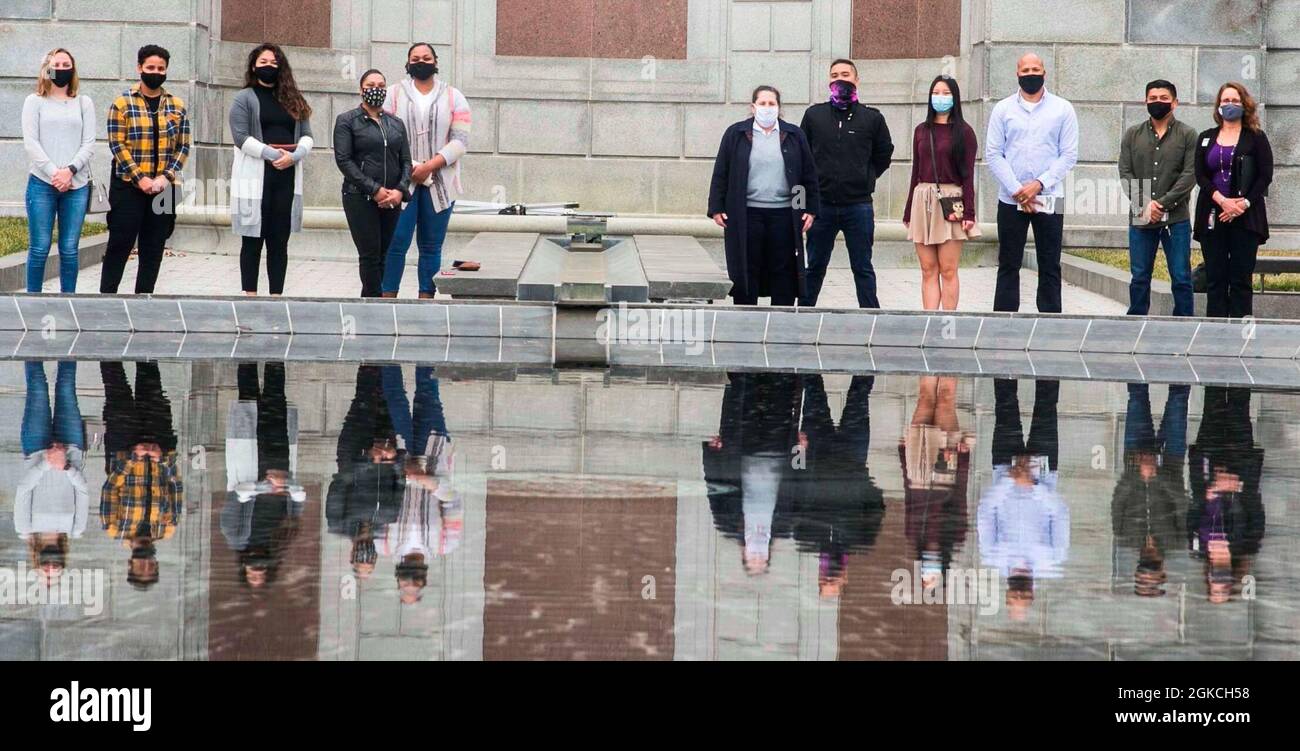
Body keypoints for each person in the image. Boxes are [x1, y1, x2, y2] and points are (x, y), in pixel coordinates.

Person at [707, 85, 819, 306]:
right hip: (747, 213)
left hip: (784, 214)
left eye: (772, 104)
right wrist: (716, 207)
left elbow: (804, 175)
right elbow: (722, 172)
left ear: (779, 107)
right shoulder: (736, 134)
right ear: (753, 107)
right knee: (748, 265)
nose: (767, 108)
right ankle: (746, 316)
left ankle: (781, 316)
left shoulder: (794, 135)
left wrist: (806, 210)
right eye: (762, 103)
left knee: (783, 267)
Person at [985, 53, 1078, 313]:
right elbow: (993, 153)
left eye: (1035, 69)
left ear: (1044, 72)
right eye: (1025, 69)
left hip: (1049, 196)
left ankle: (1049, 319)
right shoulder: (1002, 109)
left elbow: (1068, 154)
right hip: (1009, 197)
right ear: (1017, 73)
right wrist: (1017, 189)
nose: (1030, 73)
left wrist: (1038, 184)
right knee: (1008, 262)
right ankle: (1004, 319)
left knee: (1050, 263)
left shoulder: (1063, 109)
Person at [380, 43, 471, 299]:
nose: (421, 61)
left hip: (441, 181)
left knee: (431, 245)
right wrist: (410, 169)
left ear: (435, 61)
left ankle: (426, 301)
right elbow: (383, 134)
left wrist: (430, 165)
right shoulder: (393, 94)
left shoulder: (453, 96)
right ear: (408, 64)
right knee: (396, 242)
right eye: (415, 58)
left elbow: (461, 140)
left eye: (426, 57)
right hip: (400, 182)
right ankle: (387, 299)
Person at [798, 59, 893, 308]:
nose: (840, 79)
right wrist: (802, 203)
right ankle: (802, 315)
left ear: (856, 80)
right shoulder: (813, 116)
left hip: (858, 206)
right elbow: (800, 158)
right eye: (835, 75)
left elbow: (884, 154)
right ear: (829, 82)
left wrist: (866, 176)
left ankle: (871, 317)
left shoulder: (872, 118)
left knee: (862, 267)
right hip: (821, 207)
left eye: (846, 74)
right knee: (815, 266)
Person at [101, 45, 190, 294]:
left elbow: (183, 146)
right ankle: (106, 299)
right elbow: (117, 144)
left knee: (154, 248)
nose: (156, 72)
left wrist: (165, 177)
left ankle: (144, 299)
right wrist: (140, 178)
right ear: (139, 68)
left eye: (161, 68)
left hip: (165, 188)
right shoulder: (122, 104)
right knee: (120, 244)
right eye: (150, 67)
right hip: (128, 185)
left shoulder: (177, 106)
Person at [977, 379, 1068, 622]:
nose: (1018, 592)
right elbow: (1060, 514)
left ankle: (1005, 355)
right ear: (1032, 596)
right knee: (1046, 407)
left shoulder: (992, 556)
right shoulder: (1052, 559)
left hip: (1005, 466)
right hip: (1043, 469)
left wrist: (1011, 478)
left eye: (1013, 596)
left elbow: (986, 511)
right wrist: (1032, 485)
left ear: (1006, 594)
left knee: (1006, 404)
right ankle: (1050, 354)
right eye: (1022, 596)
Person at [786, 374, 884, 599]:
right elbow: (877, 506)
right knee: (859, 395)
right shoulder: (861, 540)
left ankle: (811, 343)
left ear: (818, 577)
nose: (830, 576)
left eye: (825, 580)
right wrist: (860, 481)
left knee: (813, 390)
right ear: (845, 579)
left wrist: (798, 450)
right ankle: (867, 351)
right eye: (835, 582)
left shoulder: (806, 537)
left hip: (816, 450)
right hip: (852, 456)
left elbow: (794, 486)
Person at [229, 44, 314, 297]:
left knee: (279, 241)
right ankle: (250, 296)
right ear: (254, 66)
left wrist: (295, 156)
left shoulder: (294, 99)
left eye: (274, 62)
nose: (269, 67)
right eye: (263, 62)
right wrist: (272, 154)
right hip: (255, 177)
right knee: (252, 240)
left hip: (286, 176)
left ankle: (276, 296)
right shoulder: (244, 99)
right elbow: (240, 137)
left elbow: (307, 136)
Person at [379, 365, 462, 604]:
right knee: (428, 392)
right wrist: (423, 480)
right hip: (433, 451)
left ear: (397, 582)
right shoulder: (446, 544)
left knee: (394, 396)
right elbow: (453, 500)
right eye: (415, 588)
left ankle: (388, 351)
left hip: (398, 457)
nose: (410, 584)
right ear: (424, 581)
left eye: (405, 588)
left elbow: (379, 499)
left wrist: (399, 470)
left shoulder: (383, 545)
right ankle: (429, 341)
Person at [221, 362, 306, 589]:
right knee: (275, 398)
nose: (257, 571)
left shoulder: (234, 536)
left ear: (244, 570)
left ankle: (246, 351)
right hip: (279, 460)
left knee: (248, 394)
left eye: (252, 576)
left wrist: (266, 486)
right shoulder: (283, 540)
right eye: (261, 576)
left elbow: (237, 494)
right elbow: (299, 497)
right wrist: (285, 483)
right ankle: (276, 355)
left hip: (248, 455)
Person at [1194, 82, 1274, 319]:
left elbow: (1265, 175)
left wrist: (1242, 204)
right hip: (1213, 214)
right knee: (1215, 278)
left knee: (1240, 278)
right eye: (1226, 101)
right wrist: (1222, 201)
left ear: (1244, 105)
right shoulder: (1206, 137)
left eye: (1235, 101)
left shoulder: (1256, 138)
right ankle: (1215, 331)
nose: (1230, 105)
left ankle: (1240, 332)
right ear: (1219, 106)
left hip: (1246, 216)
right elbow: (1200, 175)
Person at [99, 361, 182, 591]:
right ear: (156, 563)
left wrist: (132, 459)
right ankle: (145, 333)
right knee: (150, 382)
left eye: (140, 567)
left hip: (123, 447)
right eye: (150, 567)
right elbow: (175, 486)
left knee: (116, 385)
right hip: (159, 445)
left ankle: (106, 338)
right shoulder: (167, 529)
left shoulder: (114, 528)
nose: (146, 563)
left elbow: (110, 488)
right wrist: (162, 458)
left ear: (130, 564)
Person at [1118, 80, 1198, 317]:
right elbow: (1125, 172)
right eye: (1152, 98)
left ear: (1175, 102)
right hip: (1141, 216)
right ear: (1145, 101)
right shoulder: (1133, 134)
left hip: (1176, 218)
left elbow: (1190, 174)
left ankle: (1184, 323)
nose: (1158, 103)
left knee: (1181, 276)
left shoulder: (1188, 134)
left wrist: (1161, 204)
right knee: (1140, 276)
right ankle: (1136, 321)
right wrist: (1144, 204)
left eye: (1163, 98)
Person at [22, 48, 95, 293]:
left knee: (69, 249)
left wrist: (70, 171)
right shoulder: (34, 101)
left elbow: (89, 143)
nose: (62, 69)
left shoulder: (84, 102)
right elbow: (31, 143)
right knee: (40, 247)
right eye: (57, 64)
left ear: (73, 69)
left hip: (76, 185)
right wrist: (55, 172)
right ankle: (32, 300)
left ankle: (68, 300)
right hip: (42, 184)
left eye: (67, 64)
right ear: (47, 69)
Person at [904, 75, 980, 310]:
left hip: (950, 200)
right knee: (928, 269)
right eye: (936, 92)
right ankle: (930, 320)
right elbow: (916, 171)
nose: (940, 97)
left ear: (955, 98)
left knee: (948, 269)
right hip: (923, 199)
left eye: (946, 93)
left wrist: (969, 212)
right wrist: (908, 211)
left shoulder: (964, 132)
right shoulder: (921, 130)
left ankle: (949, 321)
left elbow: (968, 175)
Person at [334, 69, 412, 298]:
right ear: (361, 90)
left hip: (392, 200)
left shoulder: (396, 123)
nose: (376, 89)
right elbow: (344, 160)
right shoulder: (347, 121)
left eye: (381, 84)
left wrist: (400, 190)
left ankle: (369, 301)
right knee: (369, 254)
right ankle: (375, 304)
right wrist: (375, 189)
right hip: (360, 197)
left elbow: (406, 160)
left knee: (383, 254)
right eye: (370, 84)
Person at [326, 365, 406, 580]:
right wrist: (394, 458)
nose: (366, 557)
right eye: (369, 561)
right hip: (384, 444)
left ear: (352, 557)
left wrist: (367, 458)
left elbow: (339, 484)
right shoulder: (388, 518)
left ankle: (369, 357)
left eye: (361, 560)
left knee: (365, 396)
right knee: (387, 398)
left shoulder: (339, 523)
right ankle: (389, 360)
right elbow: (400, 482)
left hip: (354, 448)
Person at [1111, 384, 1188, 598]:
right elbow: (1181, 501)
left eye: (1142, 573)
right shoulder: (1176, 541)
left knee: (1136, 397)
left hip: (1135, 458)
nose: (1147, 567)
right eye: (1151, 572)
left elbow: (1119, 499)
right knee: (1178, 400)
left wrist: (1138, 472)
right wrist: (1157, 474)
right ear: (1162, 574)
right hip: (1171, 459)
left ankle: (1137, 354)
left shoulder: (1125, 537)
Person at [15, 361, 87, 586]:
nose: (51, 567)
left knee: (37, 386)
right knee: (66, 386)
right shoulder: (76, 529)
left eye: (45, 571)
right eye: (56, 570)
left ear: (36, 563)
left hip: (36, 448)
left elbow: (24, 489)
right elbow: (83, 491)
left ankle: (30, 338)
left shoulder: (25, 529)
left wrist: (48, 462)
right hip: (71, 448)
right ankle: (69, 338)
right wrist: (64, 465)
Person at [900, 376, 973, 594]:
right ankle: (953, 352)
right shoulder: (955, 535)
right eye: (932, 574)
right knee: (945, 400)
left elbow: (908, 495)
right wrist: (962, 460)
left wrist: (903, 457)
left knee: (924, 399)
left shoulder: (913, 534)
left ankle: (930, 352)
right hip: (946, 473)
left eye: (925, 573)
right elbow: (960, 496)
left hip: (917, 471)